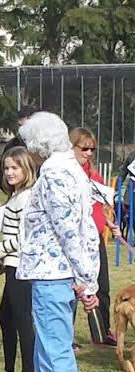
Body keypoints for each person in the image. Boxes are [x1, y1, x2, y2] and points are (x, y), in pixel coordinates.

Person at [17, 112, 99, 372]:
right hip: (56, 273)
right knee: (49, 350)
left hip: (55, 275)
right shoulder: (73, 171)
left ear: (38, 145)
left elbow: (70, 231)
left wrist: (86, 280)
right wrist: (87, 275)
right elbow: (88, 229)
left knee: (56, 352)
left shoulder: (53, 174)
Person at [0, 147, 39, 372]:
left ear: (26, 169)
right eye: (6, 168)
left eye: (14, 168)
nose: (9, 172)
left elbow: (25, 237)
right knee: (6, 317)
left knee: (22, 322)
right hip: (12, 264)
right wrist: (2, 258)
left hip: (23, 266)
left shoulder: (28, 197)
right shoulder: (16, 196)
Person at [70, 127, 119, 348]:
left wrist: (108, 222)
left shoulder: (95, 175)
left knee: (102, 287)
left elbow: (97, 207)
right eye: (84, 148)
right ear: (72, 147)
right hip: (75, 240)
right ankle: (67, 336)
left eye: (92, 149)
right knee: (73, 289)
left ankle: (101, 332)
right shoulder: (67, 174)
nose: (89, 153)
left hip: (96, 238)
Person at [0, 106, 36, 189]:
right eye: (20, 125)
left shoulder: (44, 146)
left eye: (25, 126)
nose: (22, 129)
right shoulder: (12, 145)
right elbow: (1, 174)